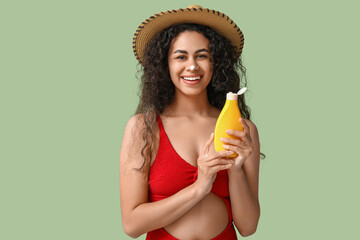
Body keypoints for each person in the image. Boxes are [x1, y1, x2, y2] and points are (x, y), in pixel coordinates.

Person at [120, 5, 261, 240]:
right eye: (181, 56)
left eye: (202, 56)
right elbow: (132, 225)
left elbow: (247, 227)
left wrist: (236, 170)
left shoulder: (244, 130)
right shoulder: (143, 128)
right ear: (165, 64)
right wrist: (200, 187)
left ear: (216, 63)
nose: (192, 66)